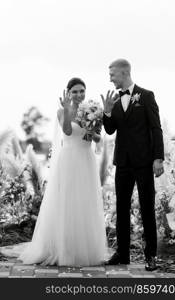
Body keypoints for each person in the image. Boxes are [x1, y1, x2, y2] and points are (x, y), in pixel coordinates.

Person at [2, 78, 107, 266]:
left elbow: (98, 138)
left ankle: (84, 248)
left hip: (86, 159)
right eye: (74, 91)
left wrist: (92, 131)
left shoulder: (93, 110)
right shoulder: (62, 111)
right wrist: (67, 112)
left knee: (85, 201)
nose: (78, 94)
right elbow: (67, 132)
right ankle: (64, 248)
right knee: (67, 201)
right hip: (69, 159)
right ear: (68, 93)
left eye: (81, 90)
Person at [101, 59, 164, 271]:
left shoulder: (146, 96)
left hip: (144, 162)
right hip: (123, 163)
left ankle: (151, 256)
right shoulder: (115, 101)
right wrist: (107, 112)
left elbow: (156, 128)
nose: (110, 78)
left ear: (125, 72)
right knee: (122, 208)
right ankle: (123, 253)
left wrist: (158, 158)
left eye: (113, 74)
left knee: (147, 208)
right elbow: (110, 130)